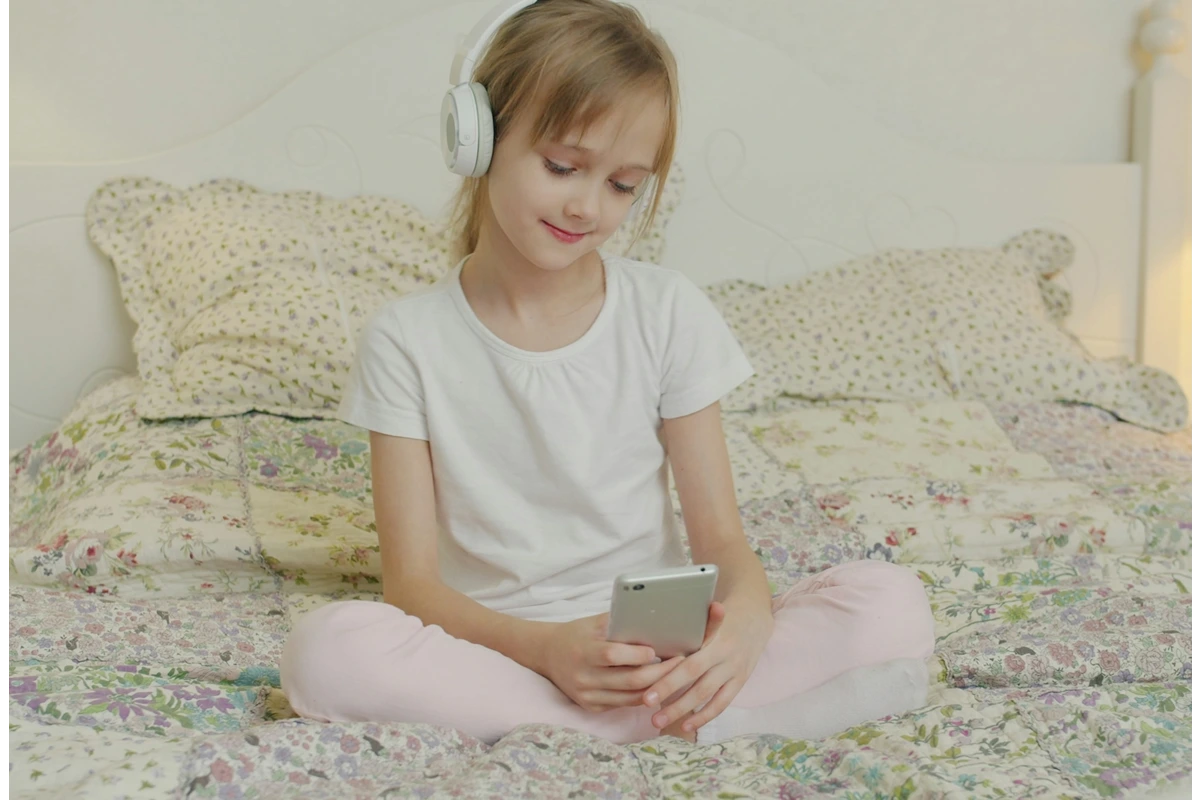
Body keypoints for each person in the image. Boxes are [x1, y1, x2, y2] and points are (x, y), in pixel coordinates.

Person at [281, 0, 935, 746]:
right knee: (326, 651)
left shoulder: (666, 311)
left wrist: (745, 631)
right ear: (478, 136)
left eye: (623, 186)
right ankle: (698, 726)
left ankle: (622, 720)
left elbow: (721, 539)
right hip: (503, 653)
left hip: (655, 652)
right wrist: (547, 650)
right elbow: (412, 588)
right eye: (563, 166)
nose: (588, 206)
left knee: (890, 600)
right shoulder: (406, 339)